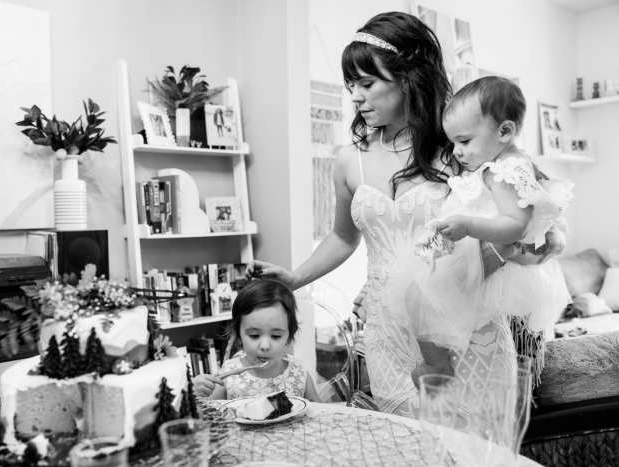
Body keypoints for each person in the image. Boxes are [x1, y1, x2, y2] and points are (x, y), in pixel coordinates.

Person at [245, 12, 564, 422]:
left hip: (463, 329)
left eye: (367, 83)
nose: (355, 97)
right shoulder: (347, 161)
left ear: (408, 78)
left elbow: (523, 210)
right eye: (350, 86)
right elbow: (343, 237)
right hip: (386, 335)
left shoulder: (460, 151)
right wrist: (294, 278)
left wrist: (529, 243)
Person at [396, 76, 573, 386]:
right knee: (423, 296)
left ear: (505, 131)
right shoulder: (506, 162)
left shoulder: (505, 170)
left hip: (486, 248)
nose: (458, 152)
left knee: (419, 295)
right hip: (485, 250)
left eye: (464, 141)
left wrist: (468, 225)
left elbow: (515, 226)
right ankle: (439, 361)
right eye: (453, 143)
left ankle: (436, 366)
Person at [191, 279, 320, 402]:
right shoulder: (227, 377)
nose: (265, 346)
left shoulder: (299, 373)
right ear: (238, 334)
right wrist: (195, 394)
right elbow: (206, 416)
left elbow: (320, 413)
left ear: (289, 336)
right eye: (254, 335)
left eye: (275, 336)